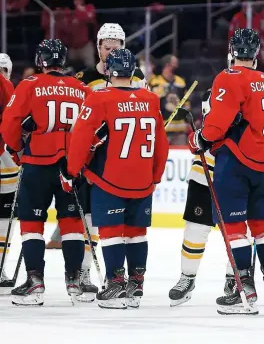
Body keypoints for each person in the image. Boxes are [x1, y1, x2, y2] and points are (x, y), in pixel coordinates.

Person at [187, 28, 264, 315]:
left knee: (234, 229)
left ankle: (245, 288)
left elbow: (215, 128)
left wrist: (197, 140)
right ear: (256, 54)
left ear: (232, 51)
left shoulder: (228, 77)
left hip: (237, 162)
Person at [46, 23, 148, 303]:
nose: (111, 50)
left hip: (122, 163)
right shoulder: (84, 78)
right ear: (99, 46)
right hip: (93, 163)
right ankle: (87, 274)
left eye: (117, 46)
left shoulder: (137, 78)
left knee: (127, 225)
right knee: (90, 221)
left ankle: (123, 279)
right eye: (107, 46)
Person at [66, 48, 169, 309]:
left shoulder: (99, 98)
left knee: (111, 233)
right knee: (137, 233)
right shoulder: (150, 99)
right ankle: (135, 285)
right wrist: (155, 176)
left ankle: (115, 285)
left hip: (109, 178)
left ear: (109, 71)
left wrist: (73, 170)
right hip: (143, 179)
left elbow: (80, 138)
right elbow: (162, 144)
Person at [1, 39, 90, 306]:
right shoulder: (81, 88)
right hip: (72, 166)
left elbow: (9, 125)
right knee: (72, 223)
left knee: (31, 223)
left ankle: (35, 282)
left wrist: (17, 151)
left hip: (38, 163)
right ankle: (75, 281)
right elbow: (92, 128)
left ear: (41, 61)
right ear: (62, 61)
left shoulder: (29, 85)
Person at [168, 89, 236, 306]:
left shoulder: (250, 91)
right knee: (195, 230)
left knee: (236, 233)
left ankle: (234, 278)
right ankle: (187, 278)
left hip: (236, 175)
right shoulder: (213, 92)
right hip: (203, 173)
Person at [0, 53, 16, 292]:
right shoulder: (6, 86)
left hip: (7, 161)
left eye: (4, 69)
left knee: (4, 217)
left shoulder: (8, 87)